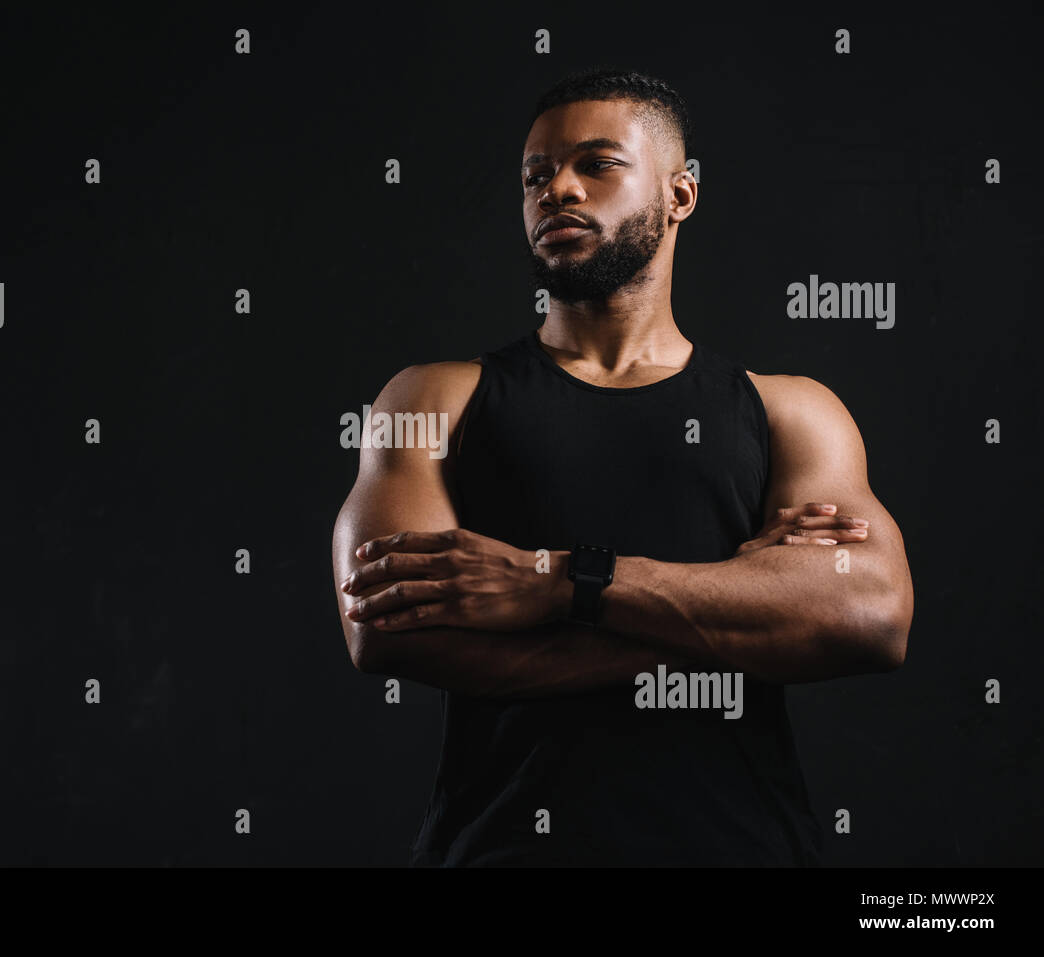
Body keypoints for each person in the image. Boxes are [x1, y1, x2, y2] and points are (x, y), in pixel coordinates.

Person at [331, 67, 914, 866]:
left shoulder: (791, 410)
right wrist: (736, 619)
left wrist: (557, 584)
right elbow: (387, 628)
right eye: (536, 176)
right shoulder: (435, 398)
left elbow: (872, 617)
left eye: (596, 164)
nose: (557, 189)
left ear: (680, 194)